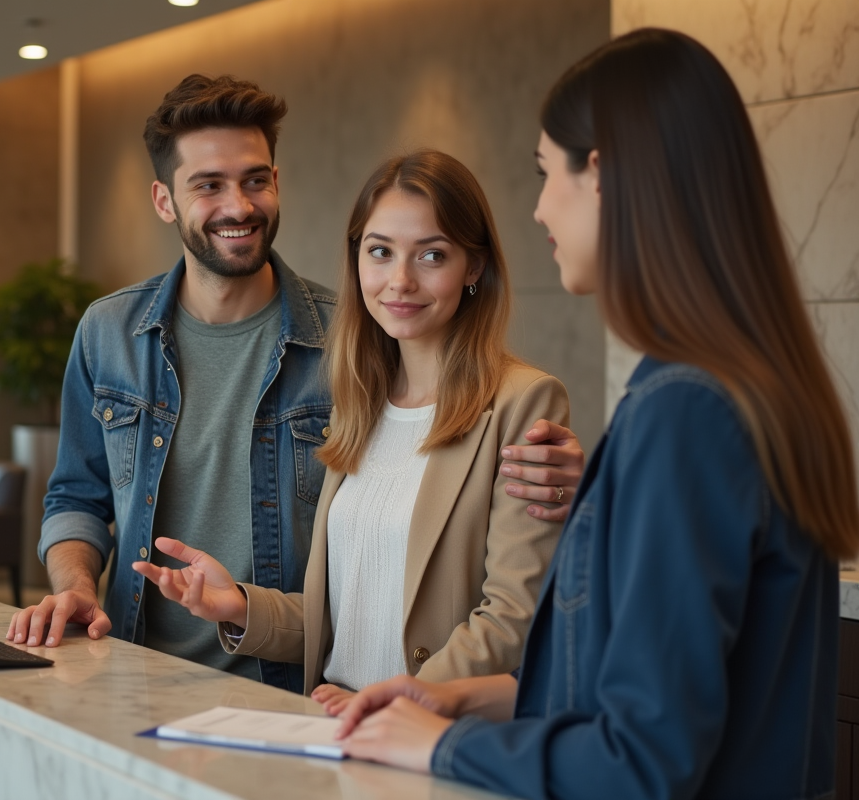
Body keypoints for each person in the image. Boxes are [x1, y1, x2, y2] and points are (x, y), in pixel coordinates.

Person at [328, 28, 859, 800]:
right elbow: (637, 696)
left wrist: (444, 750)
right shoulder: (740, 387)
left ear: (603, 175)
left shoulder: (684, 411)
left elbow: (641, 761)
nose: (540, 209)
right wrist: (455, 699)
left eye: (547, 173)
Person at [6, 74, 581, 689]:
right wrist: (77, 590)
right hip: (135, 666)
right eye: (208, 185)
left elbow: (491, 569)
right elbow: (75, 498)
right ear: (164, 200)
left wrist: (579, 482)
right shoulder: (109, 332)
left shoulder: (353, 348)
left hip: (290, 689)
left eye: (255, 179)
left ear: (277, 183)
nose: (239, 205)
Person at [132, 149, 571, 700]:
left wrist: (383, 702)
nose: (400, 281)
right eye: (380, 252)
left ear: (474, 266)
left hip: (429, 738)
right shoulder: (358, 400)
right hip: (334, 723)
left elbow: (511, 620)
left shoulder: (523, 403)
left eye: (432, 255)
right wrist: (238, 605)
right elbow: (350, 618)